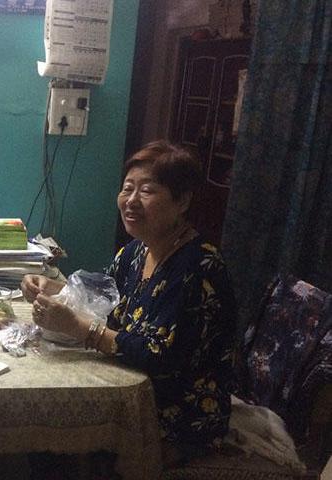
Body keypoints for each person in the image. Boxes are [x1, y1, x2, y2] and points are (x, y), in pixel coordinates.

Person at [21, 140, 236, 464]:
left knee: (61, 440)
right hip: (131, 387)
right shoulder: (137, 250)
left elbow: (159, 356)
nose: (131, 201)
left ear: (182, 201)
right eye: (127, 189)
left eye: (147, 191)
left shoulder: (197, 267)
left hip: (176, 414)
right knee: (45, 434)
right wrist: (51, 287)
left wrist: (80, 328)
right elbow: (100, 291)